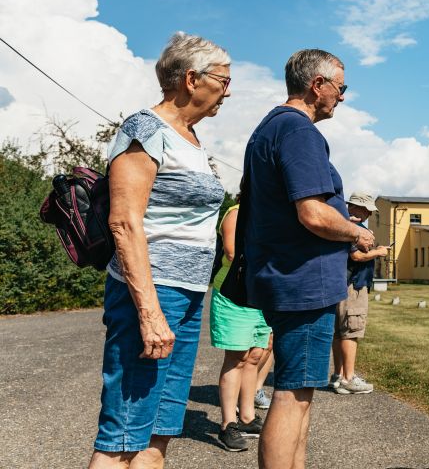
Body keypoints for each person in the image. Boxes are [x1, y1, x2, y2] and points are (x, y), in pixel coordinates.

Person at [89, 33, 231, 469]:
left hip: (186, 293)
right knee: (122, 435)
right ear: (192, 78)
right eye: (224, 80)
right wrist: (149, 312)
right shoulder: (145, 128)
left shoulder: (188, 138)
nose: (228, 91)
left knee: (158, 432)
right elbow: (125, 222)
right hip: (152, 293)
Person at [241, 49, 376, 469]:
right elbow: (313, 213)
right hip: (303, 283)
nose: (342, 97)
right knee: (292, 395)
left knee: (299, 394)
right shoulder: (299, 132)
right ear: (317, 85)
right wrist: (358, 231)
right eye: (341, 87)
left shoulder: (271, 127)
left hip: (287, 276)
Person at [209, 202, 274, 451]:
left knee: (255, 356)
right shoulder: (237, 213)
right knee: (236, 357)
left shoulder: (269, 213)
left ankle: (247, 418)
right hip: (234, 293)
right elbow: (232, 252)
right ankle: (228, 424)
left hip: (259, 295)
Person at [329, 192, 390, 395]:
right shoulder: (352, 228)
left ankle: (338, 376)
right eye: (366, 210)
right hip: (353, 285)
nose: (368, 215)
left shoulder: (339, 223)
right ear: (355, 207)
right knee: (351, 331)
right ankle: (348, 378)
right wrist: (379, 252)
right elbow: (355, 255)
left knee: (339, 332)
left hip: (341, 283)